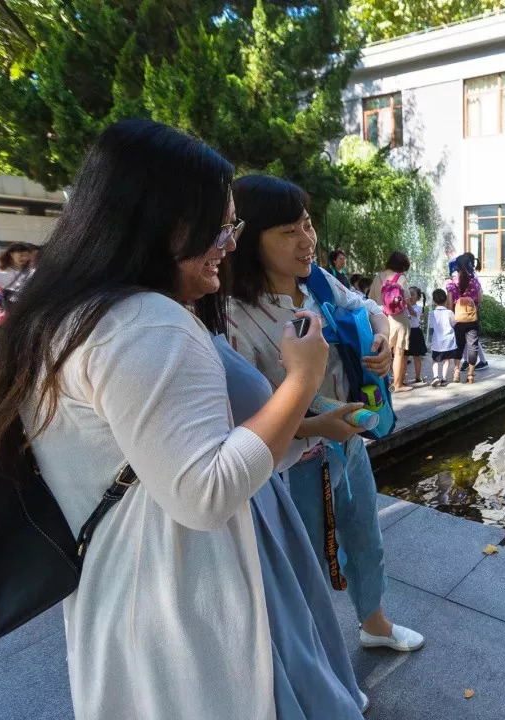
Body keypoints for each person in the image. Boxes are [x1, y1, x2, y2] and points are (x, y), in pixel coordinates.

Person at [0, 119, 331, 719]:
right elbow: (205, 493)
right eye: (221, 227)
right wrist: (301, 380)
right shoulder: (151, 326)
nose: (229, 241)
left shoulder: (70, 313)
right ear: (169, 227)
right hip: (178, 604)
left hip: (117, 588)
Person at [226, 174, 424, 656]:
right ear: (250, 239)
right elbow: (241, 426)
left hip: (348, 441)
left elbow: (365, 306)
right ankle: (316, 664)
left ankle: (374, 624)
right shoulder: (235, 317)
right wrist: (315, 425)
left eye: (308, 225)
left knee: (366, 539)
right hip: (294, 464)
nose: (307, 240)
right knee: (306, 564)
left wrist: (380, 335)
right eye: (288, 231)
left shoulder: (314, 281)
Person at [194, 287, 368, 718]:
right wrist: (303, 380)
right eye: (289, 229)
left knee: (305, 611)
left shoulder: (191, 312)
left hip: (264, 488)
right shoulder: (167, 327)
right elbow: (210, 476)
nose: (228, 242)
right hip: (243, 505)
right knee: (281, 633)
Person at [369, 251, 414, 393]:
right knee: (398, 352)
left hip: (380, 319)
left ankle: (382, 383)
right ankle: (398, 384)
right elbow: (407, 301)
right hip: (399, 319)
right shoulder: (401, 278)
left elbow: (371, 300)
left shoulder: (377, 277)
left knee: (382, 351)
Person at [446, 253, 482, 384]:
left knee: (458, 345)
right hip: (472, 319)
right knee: (473, 346)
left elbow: (449, 304)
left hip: (458, 319)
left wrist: (452, 316)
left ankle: (456, 372)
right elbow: (480, 299)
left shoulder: (451, 283)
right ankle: (471, 375)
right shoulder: (475, 282)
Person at [428, 288, 459, 387]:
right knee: (446, 360)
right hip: (448, 341)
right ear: (445, 300)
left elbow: (432, 326)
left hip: (437, 341)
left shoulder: (432, 313)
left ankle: (435, 376)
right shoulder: (449, 312)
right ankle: (444, 379)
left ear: (434, 301)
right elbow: (454, 323)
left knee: (435, 360)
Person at [407, 286, 428, 384]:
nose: (410, 297)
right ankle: (401, 378)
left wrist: (406, 302)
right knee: (404, 357)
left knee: (416, 357)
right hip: (406, 332)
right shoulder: (403, 307)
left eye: (412, 295)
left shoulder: (419, 308)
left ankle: (418, 376)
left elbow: (412, 312)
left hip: (415, 333)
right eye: (408, 294)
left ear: (418, 298)